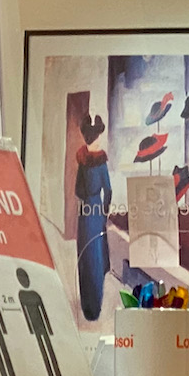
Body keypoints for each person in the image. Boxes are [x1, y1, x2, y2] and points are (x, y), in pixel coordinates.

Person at [73, 114, 112, 320]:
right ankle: (95, 305)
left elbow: (78, 190)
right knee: (96, 255)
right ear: (95, 138)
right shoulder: (101, 162)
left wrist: (87, 198)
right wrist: (104, 211)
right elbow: (109, 190)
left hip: (85, 212)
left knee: (85, 254)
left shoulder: (82, 161)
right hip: (96, 210)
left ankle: (86, 304)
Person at [16, 267, 62, 376]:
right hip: (36, 328)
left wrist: (49, 329)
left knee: (50, 350)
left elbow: (43, 311)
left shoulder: (35, 294)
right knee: (43, 351)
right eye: (21, 280)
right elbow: (25, 313)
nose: (24, 282)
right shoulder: (21, 295)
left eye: (24, 279)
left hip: (43, 327)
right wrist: (30, 329)